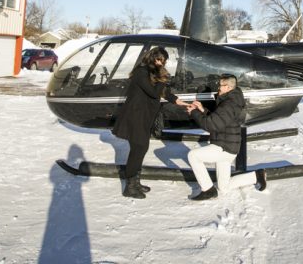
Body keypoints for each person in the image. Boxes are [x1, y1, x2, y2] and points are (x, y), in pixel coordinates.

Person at [112, 46, 188, 199]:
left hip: (144, 117)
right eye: (160, 59)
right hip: (135, 117)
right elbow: (154, 92)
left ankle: (135, 182)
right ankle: (130, 187)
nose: (162, 63)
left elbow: (163, 92)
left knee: (141, 148)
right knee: (138, 149)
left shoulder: (153, 73)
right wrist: (163, 79)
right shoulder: (141, 72)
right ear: (152, 58)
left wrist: (179, 102)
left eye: (164, 60)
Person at [186, 74, 267, 200]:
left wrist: (194, 113)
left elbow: (211, 124)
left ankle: (208, 189)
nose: (218, 87)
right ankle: (257, 175)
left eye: (221, 85)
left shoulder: (229, 104)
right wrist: (202, 110)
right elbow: (218, 118)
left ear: (228, 87)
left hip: (225, 147)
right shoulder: (228, 100)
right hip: (227, 144)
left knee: (193, 155)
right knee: (224, 187)